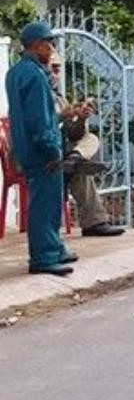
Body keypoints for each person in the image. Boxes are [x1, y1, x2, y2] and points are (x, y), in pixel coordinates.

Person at [4, 22, 75, 276]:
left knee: (50, 199)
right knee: (45, 204)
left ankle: (55, 249)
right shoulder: (34, 76)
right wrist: (50, 148)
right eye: (49, 42)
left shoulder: (16, 73)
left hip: (25, 146)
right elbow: (39, 118)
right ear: (36, 44)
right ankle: (44, 257)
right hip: (40, 149)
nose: (52, 48)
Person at [46, 52, 124, 237]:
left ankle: (75, 158)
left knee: (90, 140)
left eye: (58, 69)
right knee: (79, 172)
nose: (54, 74)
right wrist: (60, 116)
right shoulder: (37, 94)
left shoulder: (59, 98)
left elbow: (73, 133)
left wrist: (80, 119)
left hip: (61, 152)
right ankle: (94, 222)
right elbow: (37, 126)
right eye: (51, 68)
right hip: (43, 153)